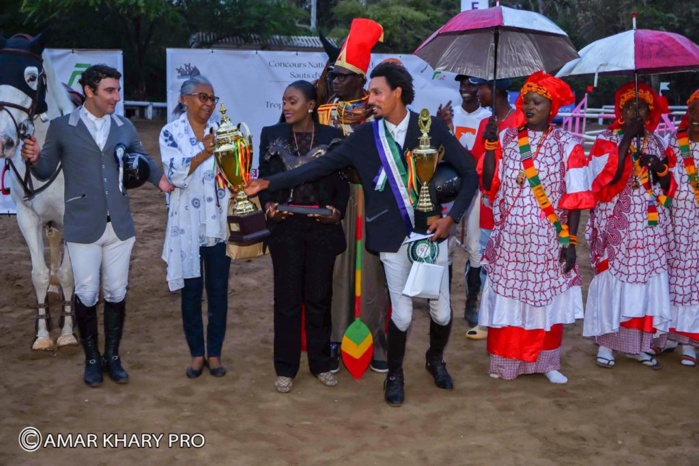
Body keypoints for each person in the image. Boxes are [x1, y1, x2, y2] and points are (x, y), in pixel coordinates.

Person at [245, 62, 478, 406]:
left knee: (441, 312)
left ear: (397, 93)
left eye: (377, 92)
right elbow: (318, 166)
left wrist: (452, 219)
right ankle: (395, 376)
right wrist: (270, 182)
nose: (371, 98)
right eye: (370, 91)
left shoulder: (428, 128)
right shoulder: (366, 137)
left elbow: (469, 173)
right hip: (388, 234)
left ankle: (435, 359)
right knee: (399, 313)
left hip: (430, 233)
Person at [21, 64, 174, 387]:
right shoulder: (63, 127)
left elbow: (143, 159)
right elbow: (44, 170)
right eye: (110, 91)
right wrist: (34, 158)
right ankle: (92, 359)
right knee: (87, 294)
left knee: (117, 292)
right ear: (89, 91)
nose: (116, 97)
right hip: (81, 225)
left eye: (117, 90)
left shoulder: (124, 126)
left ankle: (113, 357)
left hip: (120, 225)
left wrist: (164, 183)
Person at [478, 71, 594, 384]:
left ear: (551, 107)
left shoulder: (569, 144)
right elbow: (489, 182)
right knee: (510, 298)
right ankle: (506, 361)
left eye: (537, 102)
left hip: (547, 238)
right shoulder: (506, 138)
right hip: (511, 239)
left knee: (545, 300)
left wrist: (569, 242)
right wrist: (490, 145)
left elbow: (576, 198)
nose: (529, 106)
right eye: (526, 101)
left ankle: (546, 362)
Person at [258, 80, 348, 393]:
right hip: (286, 229)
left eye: (292, 101)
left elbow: (343, 182)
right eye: (283, 101)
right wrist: (269, 207)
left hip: (322, 228)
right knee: (287, 300)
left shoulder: (333, 138)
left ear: (310, 105)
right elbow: (264, 179)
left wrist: (337, 209)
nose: (286, 107)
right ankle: (285, 368)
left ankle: (321, 363)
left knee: (319, 298)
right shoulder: (271, 135)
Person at [316, 18, 391, 374]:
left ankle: (375, 340)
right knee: (336, 269)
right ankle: (336, 338)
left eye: (344, 75)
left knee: (373, 272)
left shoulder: (380, 112)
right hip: (335, 200)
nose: (336, 81)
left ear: (362, 79)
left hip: (372, 201)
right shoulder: (322, 111)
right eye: (334, 75)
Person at [583, 81, 673, 369]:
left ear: (650, 112)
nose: (636, 111)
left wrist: (657, 167)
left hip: (649, 226)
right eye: (630, 106)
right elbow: (604, 180)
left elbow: (668, 186)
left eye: (642, 107)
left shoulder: (658, 142)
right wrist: (626, 141)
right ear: (621, 111)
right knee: (613, 279)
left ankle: (638, 345)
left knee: (645, 282)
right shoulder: (606, 140)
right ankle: (607, 345)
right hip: (616, 224)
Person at [159, 76, 231, 379]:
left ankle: (214, 353)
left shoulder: (225, 131)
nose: (208, 104)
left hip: (216, 223)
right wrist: (203, 152)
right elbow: (174, 174)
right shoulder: (170, 133)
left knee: (218, 292)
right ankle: (196, 354)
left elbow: (235, 171)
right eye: (202, 97)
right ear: (184, 99)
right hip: (185, 225)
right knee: (191, 292)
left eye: (212, 98)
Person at [466, 77, 519, 340]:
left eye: (482, 87)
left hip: (514, 212)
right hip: (488, 210)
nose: (477, 91)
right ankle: (488, 320)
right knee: (488, 266)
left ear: (496, 90)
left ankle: (510, 320)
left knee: (513, 267)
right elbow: (474, 164)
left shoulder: (521, 121)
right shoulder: (485, 124)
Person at [437, 75, 491, 324]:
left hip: (475, 189)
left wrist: (449, 132)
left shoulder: (488, 119)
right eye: (462, 84)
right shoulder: (450, 113)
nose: (465, 89)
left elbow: (474, 161)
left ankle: (471, 303)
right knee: (444, 246)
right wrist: (441, 129)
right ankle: (443, 302)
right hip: (449, 187)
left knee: (475, 247)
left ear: (481, 88)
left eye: (471, 85)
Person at [657, 89, 699, 366]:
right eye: (694, 109)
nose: (697, 117)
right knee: (671, 276)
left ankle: (691, 343)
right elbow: (661, 181)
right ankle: (670, 334)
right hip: (673, 225)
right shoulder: (671, 142)